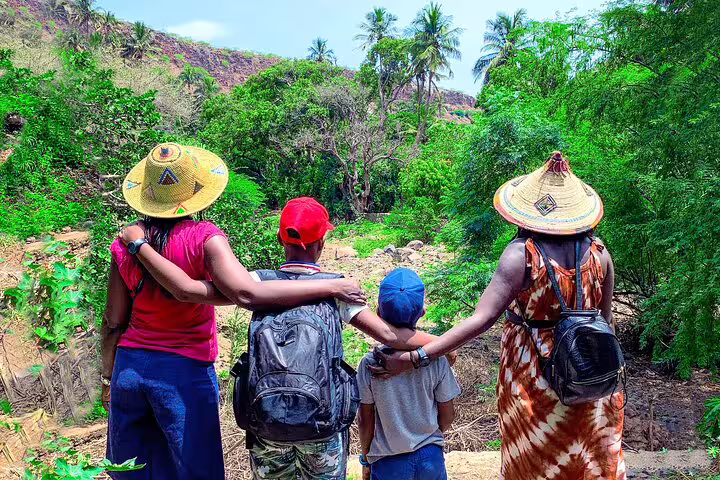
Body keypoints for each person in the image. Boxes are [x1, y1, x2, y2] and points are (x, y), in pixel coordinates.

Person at [119, 195, 453, 479]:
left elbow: (191, 291)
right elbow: (388, 334)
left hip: (267, 423)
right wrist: (440, 347)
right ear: (322, 244)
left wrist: (140, 245)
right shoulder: (336, 290)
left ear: (281, 240)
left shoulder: (253, 283)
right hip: (321, 427)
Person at [102, 143, 365, 480]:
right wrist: (332, 286)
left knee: (134, 471)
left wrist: (108, 376)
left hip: (130, 369)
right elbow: (246, 292)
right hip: (184, 372)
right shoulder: (203, 238)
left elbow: (114, 321)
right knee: (197, 471)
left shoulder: (124, 245)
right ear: (196, 192)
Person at [372, 152, 625, 480]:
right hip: (591, 382)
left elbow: (481, 320)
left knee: (534, 464)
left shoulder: (522, 255)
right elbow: (604, 324)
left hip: (535, 383)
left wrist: (416, 357)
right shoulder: (600, 253)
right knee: (587, 462)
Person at [357, 268, 460, 480]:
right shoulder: (437, 361)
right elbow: (448, 416)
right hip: (430, 457)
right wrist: (427, 435)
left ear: (378, 314)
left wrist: (366, 459)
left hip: (387, 462)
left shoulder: (369, 365)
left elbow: (365, 421)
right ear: (422, 311)